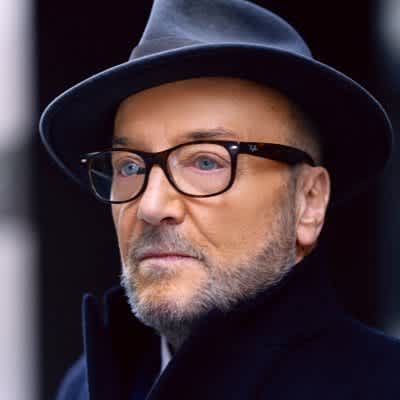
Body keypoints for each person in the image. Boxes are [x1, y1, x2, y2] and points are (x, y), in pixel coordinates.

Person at [40, 0, 400, 399]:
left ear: (308, 202)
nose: (151, 206)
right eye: (129, 167)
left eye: (206, 161)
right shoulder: (84, 387)